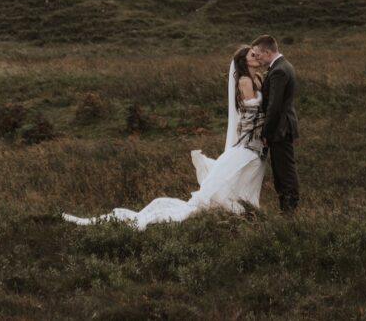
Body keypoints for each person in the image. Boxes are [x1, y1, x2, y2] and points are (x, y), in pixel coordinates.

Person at [62, 45, 269, 230]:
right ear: (245, 60)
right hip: (249, 141)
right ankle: (233, 213)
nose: (257, 55)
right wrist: (261, 135)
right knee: (226, 179)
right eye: (253, 54)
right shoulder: (244, 82)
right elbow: (251, 116)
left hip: (256, 144)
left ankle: (242, 212)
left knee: (243, 177)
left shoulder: (257, 78)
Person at [250, 34, 300, 213]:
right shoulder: (281, 66)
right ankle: (286, 208)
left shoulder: (279, 70)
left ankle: (289, 210)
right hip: (282, 127)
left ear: (267, 51)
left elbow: (274, 106)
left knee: (284, 171)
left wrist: (265, 133)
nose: (257, 58)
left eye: (258, 54)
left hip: (281, 128)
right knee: (281, 170)